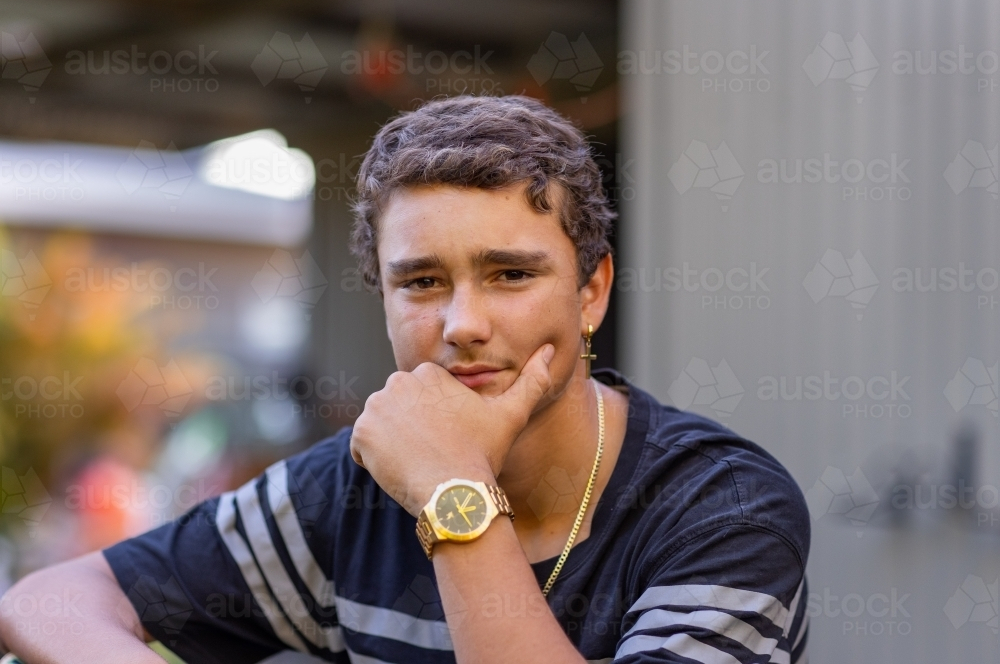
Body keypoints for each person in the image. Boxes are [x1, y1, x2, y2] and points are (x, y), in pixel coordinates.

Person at [0, 95, 810, 664]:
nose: (461, 323)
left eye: (509, 274)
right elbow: (50, 603)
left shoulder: (723, 506)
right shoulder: (351, 492)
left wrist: (452, 492)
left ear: (592, 289)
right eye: (421, 281)